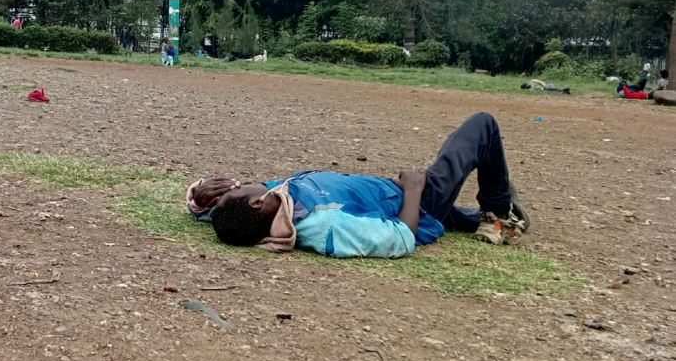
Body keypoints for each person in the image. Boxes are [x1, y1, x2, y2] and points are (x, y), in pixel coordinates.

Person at [187, 112, 530, 257]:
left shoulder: (271, 206)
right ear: (255, 203)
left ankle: (498, 214)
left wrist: (199, 199)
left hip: (385, 194)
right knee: (481, 125)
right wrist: (412, 187)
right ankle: (499, 215)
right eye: (238, 188)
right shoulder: (323, 225)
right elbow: (400, 238)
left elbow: (223, 219)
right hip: (417, 203)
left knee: (458, 218)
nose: (238, 183)